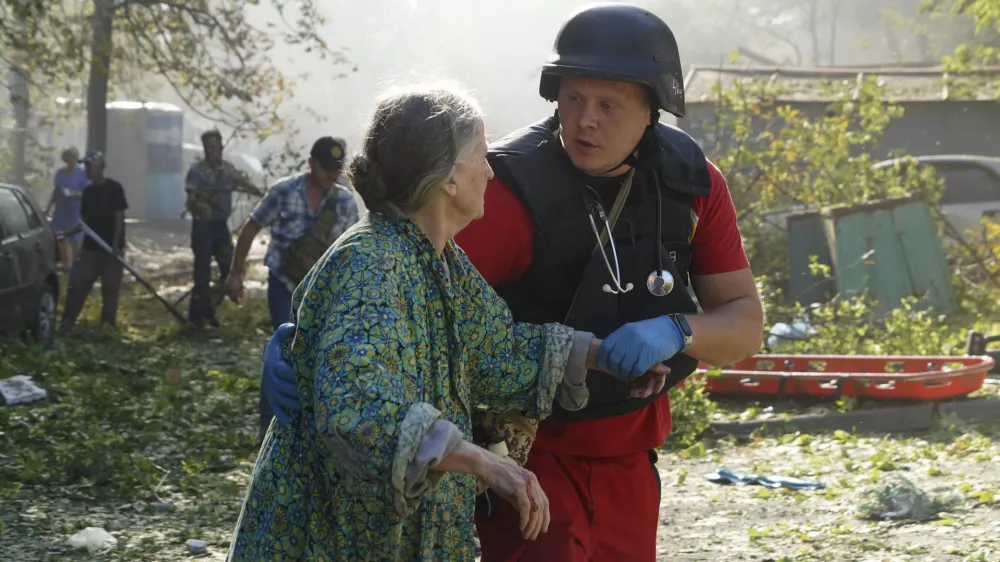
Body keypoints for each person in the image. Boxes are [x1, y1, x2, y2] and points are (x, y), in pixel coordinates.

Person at [260, 5, 765, 560]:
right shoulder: (482, 204)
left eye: (607, 105)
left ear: (653, 110)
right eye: (573, 99)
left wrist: (646, 339)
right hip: (522, 457)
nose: (584, 120)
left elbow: (496, 345)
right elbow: (372, 343)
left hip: (629, 454)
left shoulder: (689, 182)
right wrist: (303, 343)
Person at [225, 83, 668, 561]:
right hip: (327, 532)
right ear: (448, 179)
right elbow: (360, 411)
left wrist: (605, 356)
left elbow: (498, 349)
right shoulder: (371, 264)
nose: (492, 171)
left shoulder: (440, 260)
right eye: (480, 155)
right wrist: (485, 464)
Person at [224, 135, 359, 440]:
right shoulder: (284, 191)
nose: (331, 175)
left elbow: (352, 249)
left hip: (322, 293)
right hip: (284, 285)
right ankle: (270, 427)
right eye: (325, 168)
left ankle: (313, 426)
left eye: (335, 169)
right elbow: (251, 227)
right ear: (310, 163)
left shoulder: (345, 202)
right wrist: (235, 274)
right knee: (282, 350)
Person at [60, 151, 129, 332]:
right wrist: (65, 233)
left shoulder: (115, 188)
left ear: (101, 167)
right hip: (90, 249)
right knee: (77, 283)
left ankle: (107, 328)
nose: (87, 170)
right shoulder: (88, 192)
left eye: (90, 166)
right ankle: (67, 323)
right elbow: (84, 223)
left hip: (111, 251)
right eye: (86, 166)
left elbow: (119, 216)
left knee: (110, 291)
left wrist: (115, 242)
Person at [184, 130, 241, 328]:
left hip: (221, 226)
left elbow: (243, 184)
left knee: (229, 268)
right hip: (202, 227)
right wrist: (203, 204)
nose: (211, 151)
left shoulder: (228, 170)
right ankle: (195, 319)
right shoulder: (197, 171)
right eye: (207, 147)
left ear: (221, 148)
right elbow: (191, 200)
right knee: (202, 274)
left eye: (214, 147)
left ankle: (209, 309)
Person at [46, 146, 89, 270]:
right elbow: (56, 191)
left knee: (76, 239)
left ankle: (78, 265)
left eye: (72, 159)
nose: (70, 162)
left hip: (75, 211)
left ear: (76, 159)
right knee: (60, 237)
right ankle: (67, 266)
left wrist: (74, 194)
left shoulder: (82, 174)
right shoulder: (60, 173)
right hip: (61, 211)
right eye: (68, 159)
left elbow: (87, 193)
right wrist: (49, 207)